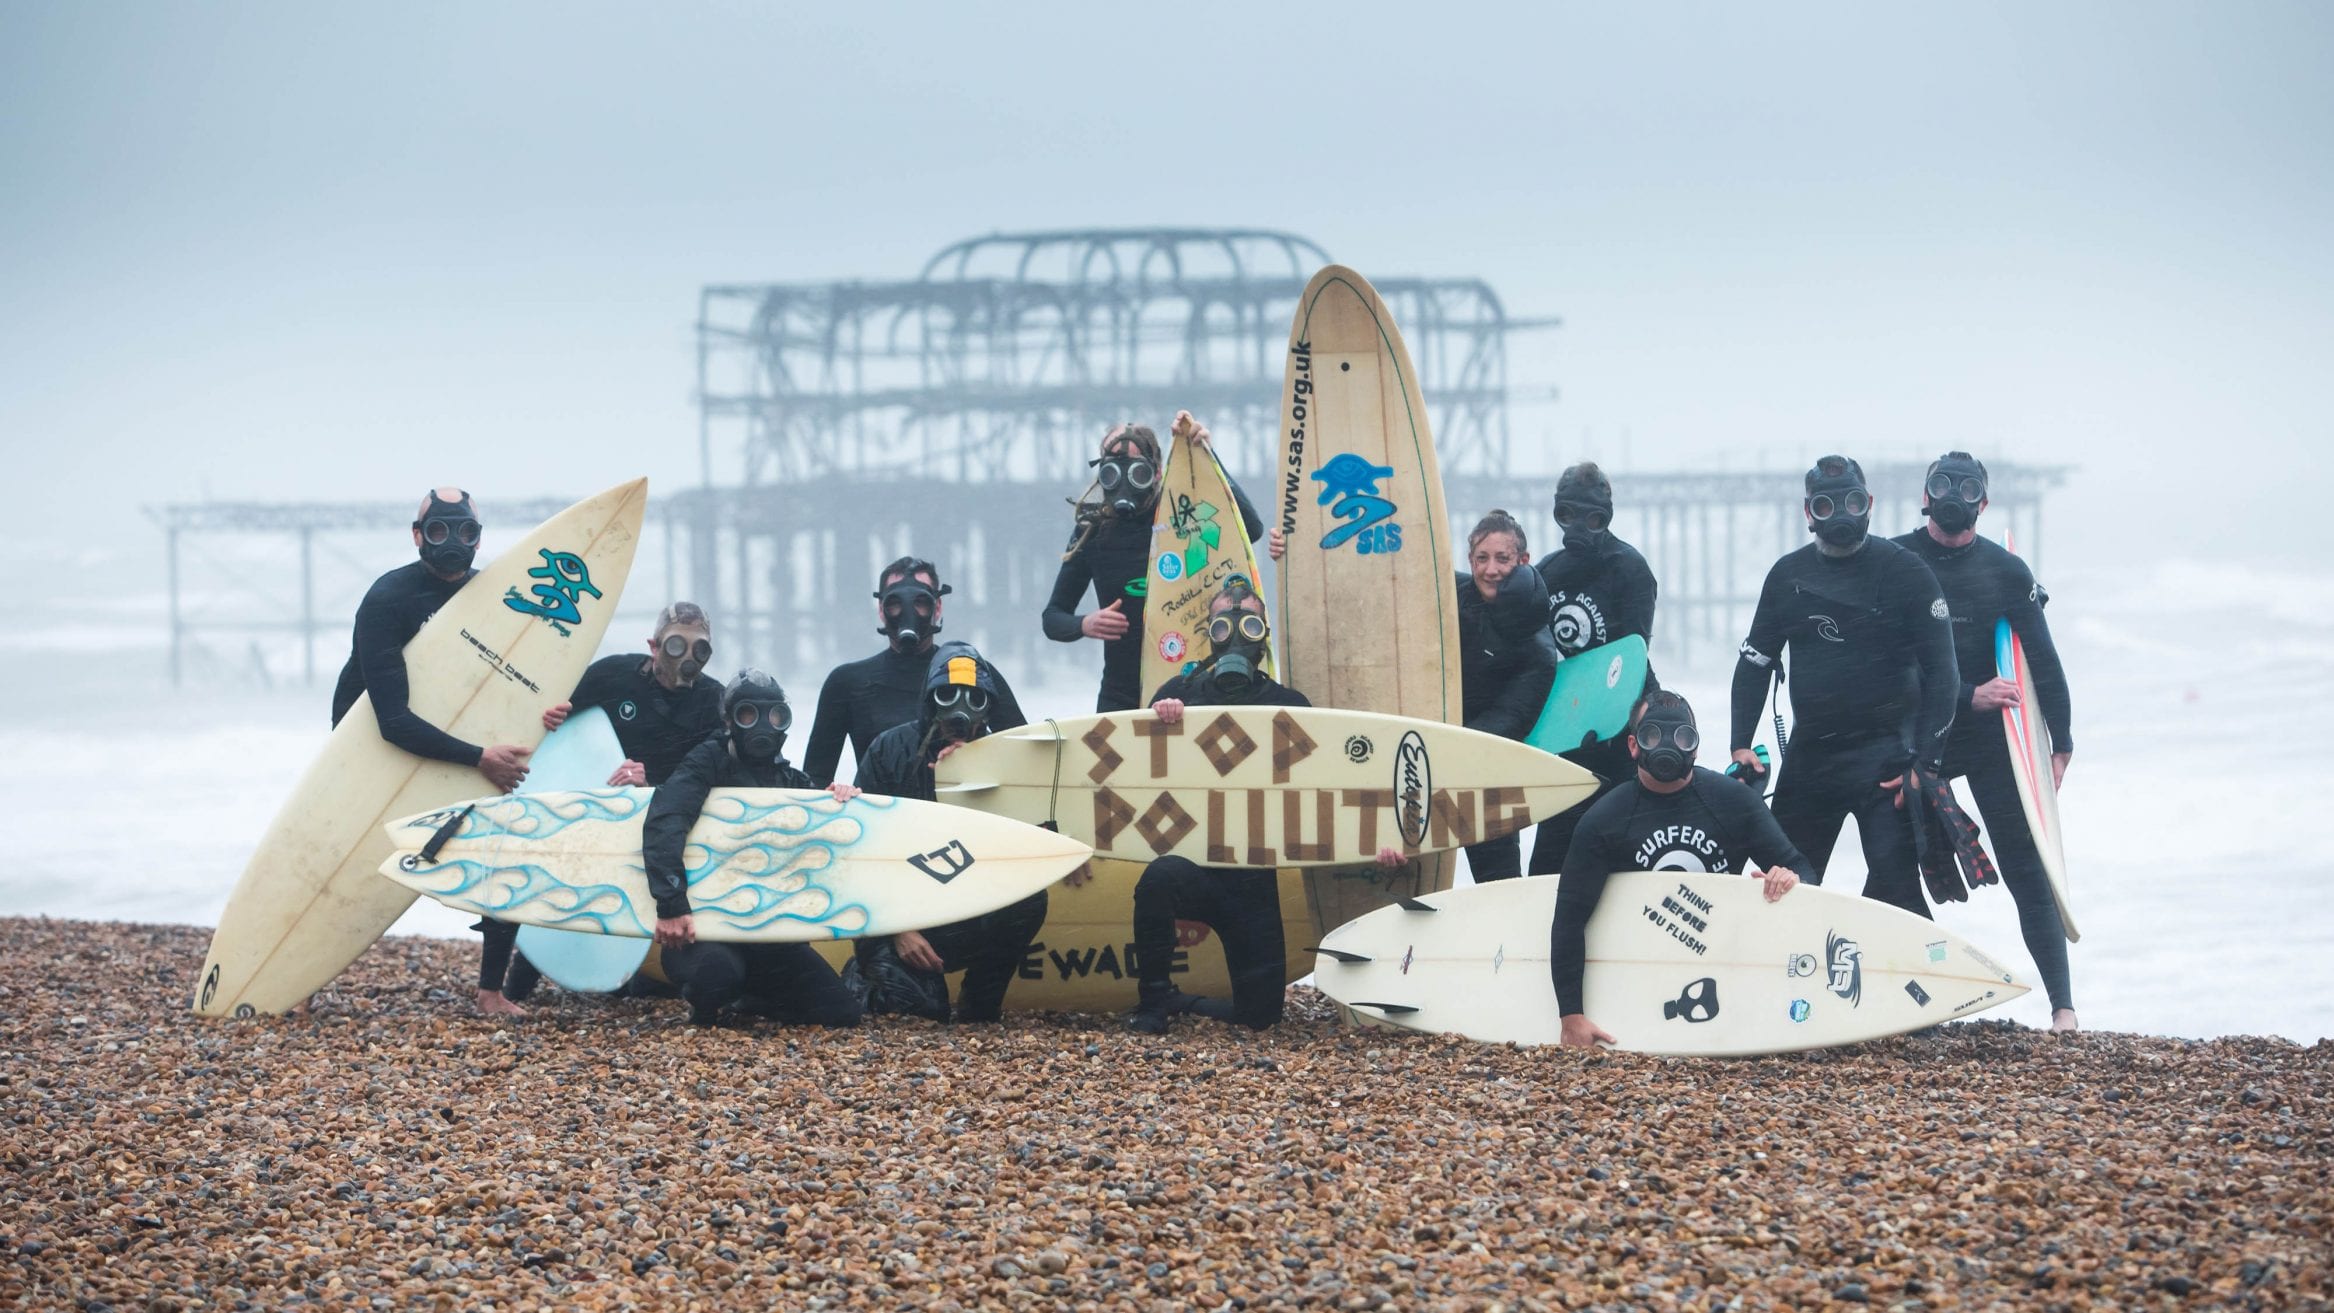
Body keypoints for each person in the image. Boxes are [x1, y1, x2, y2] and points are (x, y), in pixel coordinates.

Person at [1126, 575, 1403, 1034]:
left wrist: (1375, 840)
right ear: (1209, 635)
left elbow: (1328, 788)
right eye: (1222, 626)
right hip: (1195, 865)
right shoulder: (1181, 694)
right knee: (1158, 879)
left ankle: (1182, 1000)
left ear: (1263, 636)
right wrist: (1159, 717)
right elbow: (1135, 767)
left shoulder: (1287, 705)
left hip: (1253, 879)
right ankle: (1153, 1001)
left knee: (1261, 1017)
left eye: (1248, 625)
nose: (1234, 636)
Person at [331, 487, 537, 1016]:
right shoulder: (388, 599)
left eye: (465, 531)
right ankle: (295, 973)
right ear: (418, 535)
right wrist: (479, 758)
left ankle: (491, 992)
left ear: (478, 537)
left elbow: (513, 681)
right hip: (376, 751)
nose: (454, 542)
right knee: (347, 867)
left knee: (503, 849)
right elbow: (392, 720)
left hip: (459, 743)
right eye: (440, 530)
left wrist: (554, 711)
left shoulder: (492, 595)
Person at [1264, 508, 1554, 881]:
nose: (1491, 569)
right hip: (1421, 759)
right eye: (1482, 558)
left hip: (1484, 773)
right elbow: (1377, 581)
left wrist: (1431, 749)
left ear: (1524, 560)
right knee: (1401, 872)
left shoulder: (1538, 651)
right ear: (1470, 560)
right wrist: (1294, 552)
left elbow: (1507, 724)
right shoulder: (1455, 593)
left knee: (1499, 886)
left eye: (1503, 558)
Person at [1893, 451, 2079, 1032]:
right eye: (1942, 485)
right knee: (1897, 862)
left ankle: (2063, 1009)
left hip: (1993, 742)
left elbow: (2043, 661)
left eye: (1965, 487)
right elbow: (1885, 663)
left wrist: (2062, 740)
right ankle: (1917, 1005)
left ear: (1983, 501)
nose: (1953, 495)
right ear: (1925, 496)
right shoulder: (1895, 562)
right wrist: (1966, 694)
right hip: (1926, 736)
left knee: (2026, 868)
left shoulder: (2005, 572)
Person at [1729, 455, 1959, 919]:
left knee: (1896, 888)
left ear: (1869, 503)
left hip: (1887, 760)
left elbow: (1945, 675)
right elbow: (1755, 662)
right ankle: (1789, 982)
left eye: (1852, 502)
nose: (1841, 514)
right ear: (1808, 511)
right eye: (1826, 504)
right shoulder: (1787, 576)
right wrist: (1739, 743)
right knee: (1787, 886)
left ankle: (1920, 980)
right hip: (1812, 757)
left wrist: (1926, 763)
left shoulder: (1905, 573)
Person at [489, 602, 725, 1007]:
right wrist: (550, 716)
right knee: (557, 880)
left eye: (699, 651)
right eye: (675, 647)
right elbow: (560, 726)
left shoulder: (713, 700)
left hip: (669, 818)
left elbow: (721, 776)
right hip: (600, 810)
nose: (687, 660)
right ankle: (512, 990)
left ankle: (665, 974)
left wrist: (653, 782)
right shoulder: (614, 676)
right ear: (653, 646)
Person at [1552, 692, 1806, 1046]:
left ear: (1697, 747)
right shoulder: (1605, 820)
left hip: (1723, 967)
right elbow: (1569, 917)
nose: (1668, 747)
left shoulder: (1734, 802)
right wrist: (1571, 1016)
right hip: (1639, 976)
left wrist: (1788, 879)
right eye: (1652, 736)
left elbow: (1800, 868)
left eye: (1682, 737)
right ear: (1633, 745)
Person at [643, 669, 864, 1030]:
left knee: (842, 1013)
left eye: (775, 715)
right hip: (706, 935)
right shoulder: (706, 762)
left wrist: (838, 800)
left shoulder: (787, 780)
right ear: (729, 720)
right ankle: (707, 1008)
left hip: (769, 940)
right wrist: (671, 905)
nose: (763, 725)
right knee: (716, 974)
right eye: (749, 714)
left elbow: (822, 832)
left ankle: (751, 1001)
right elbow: (665, 820)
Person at [849, 641, 1052, 1021]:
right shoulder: (889, 750)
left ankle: (980, 1001)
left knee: (1028, 901)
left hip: (960, 906)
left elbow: (1030, 827)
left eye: (974, 700)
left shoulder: (1001, 759)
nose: (959, 711)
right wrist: (899, 928)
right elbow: (861, 847)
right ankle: (864, 982)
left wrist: (977, 772)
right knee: (925, 1010)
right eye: (947, 696)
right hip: (896, 917)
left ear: (989, 706)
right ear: (929, 699)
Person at [1043, 412, 1265, 713]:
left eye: (1137, 472)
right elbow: (1053, 618)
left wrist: (1208, 458)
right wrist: (1084, 624)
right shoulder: (1092, 531)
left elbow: (1250, 530)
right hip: (1120, 692)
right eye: (1112, 472)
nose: (1124, 482)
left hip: (1192, 689)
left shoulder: (1180, 520)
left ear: (1157, 472)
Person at [1528, 462, 1661, 876]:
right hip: (1566, 733)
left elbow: (1633, 657)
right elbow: (1535, 659)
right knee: (1550, 860)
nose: (1580, 527)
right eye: (1567, 515)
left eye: (1593, 517)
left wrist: (1619, 724)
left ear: (1606, 517)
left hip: (1619, 727)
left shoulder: (1631, 570)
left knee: (1621, 852)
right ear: (1557, 513)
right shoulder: (1546, 572)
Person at [804, 557, 1027, 786]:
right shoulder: (847, 683)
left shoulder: (974, 674)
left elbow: (1025, 758)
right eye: (896, 603)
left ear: (937, 607)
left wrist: (977, 753)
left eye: (920, 601)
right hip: (884, 815)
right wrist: (838, 796)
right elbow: (815, 780)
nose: (908, 612)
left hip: (962, 815)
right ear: (882, 609)